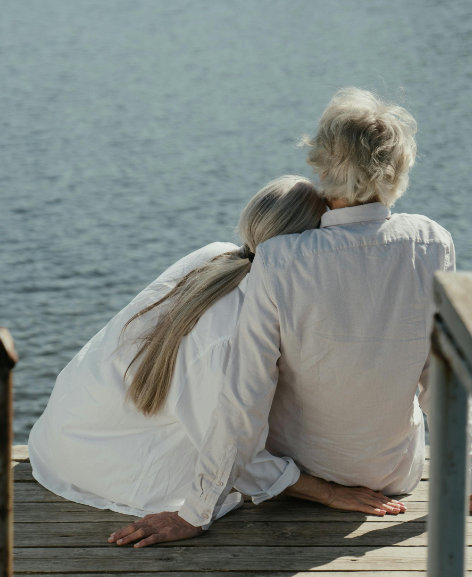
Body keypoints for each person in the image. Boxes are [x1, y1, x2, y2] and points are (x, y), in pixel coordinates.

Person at [108, 87, 455, 547]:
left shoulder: (281, 258)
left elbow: (243, 395)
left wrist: (197, 511)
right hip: (392, 473)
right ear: (399, 168)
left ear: (321, 164)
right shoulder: (433, 242)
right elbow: (443, 375)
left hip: (304, 470)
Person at [29, 174, 404, 537]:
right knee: (225, 468)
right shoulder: (235, 330)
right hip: (105, 464)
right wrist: (329, 492)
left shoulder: (217, 256)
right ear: (299, 247)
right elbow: (234, 453)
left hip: (66, 432)